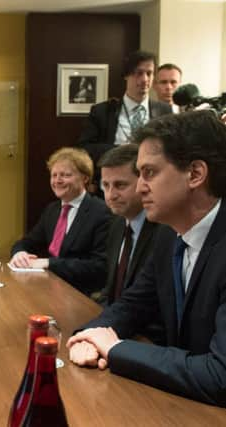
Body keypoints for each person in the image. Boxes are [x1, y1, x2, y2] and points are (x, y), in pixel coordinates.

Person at [67, 111, 226, 407]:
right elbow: (134, 304)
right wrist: (89, 336)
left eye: (149, 173)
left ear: (195, 174)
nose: (140, 187)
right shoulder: (168, 235)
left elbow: (221, 376)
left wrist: (115, 349)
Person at [9, 147, 112, 295]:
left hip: (81, 294)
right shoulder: (52, 210)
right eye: (54, 175)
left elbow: (100, 267)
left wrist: (49, 263)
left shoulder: (101, 212)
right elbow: (27, 242)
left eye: (65, 175)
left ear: (85, 178)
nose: (57, 181)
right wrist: (19, 253)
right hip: (50, 287)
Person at [78, 51, 172, 190]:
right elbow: (85, 149)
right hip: (112, 186)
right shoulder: (103, 111)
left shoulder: (164, 111)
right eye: (138, 73)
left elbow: (171, 149)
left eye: (149, 73)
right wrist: (120, 151)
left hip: (152, 186)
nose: (145, 79)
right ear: (126, 75)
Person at [96, 144, 160, 306]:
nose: (111, 195)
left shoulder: (163, 229)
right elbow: (110, 290)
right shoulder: (117, 224)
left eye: (120, 185)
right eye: (105, 185)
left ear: (143, 182)